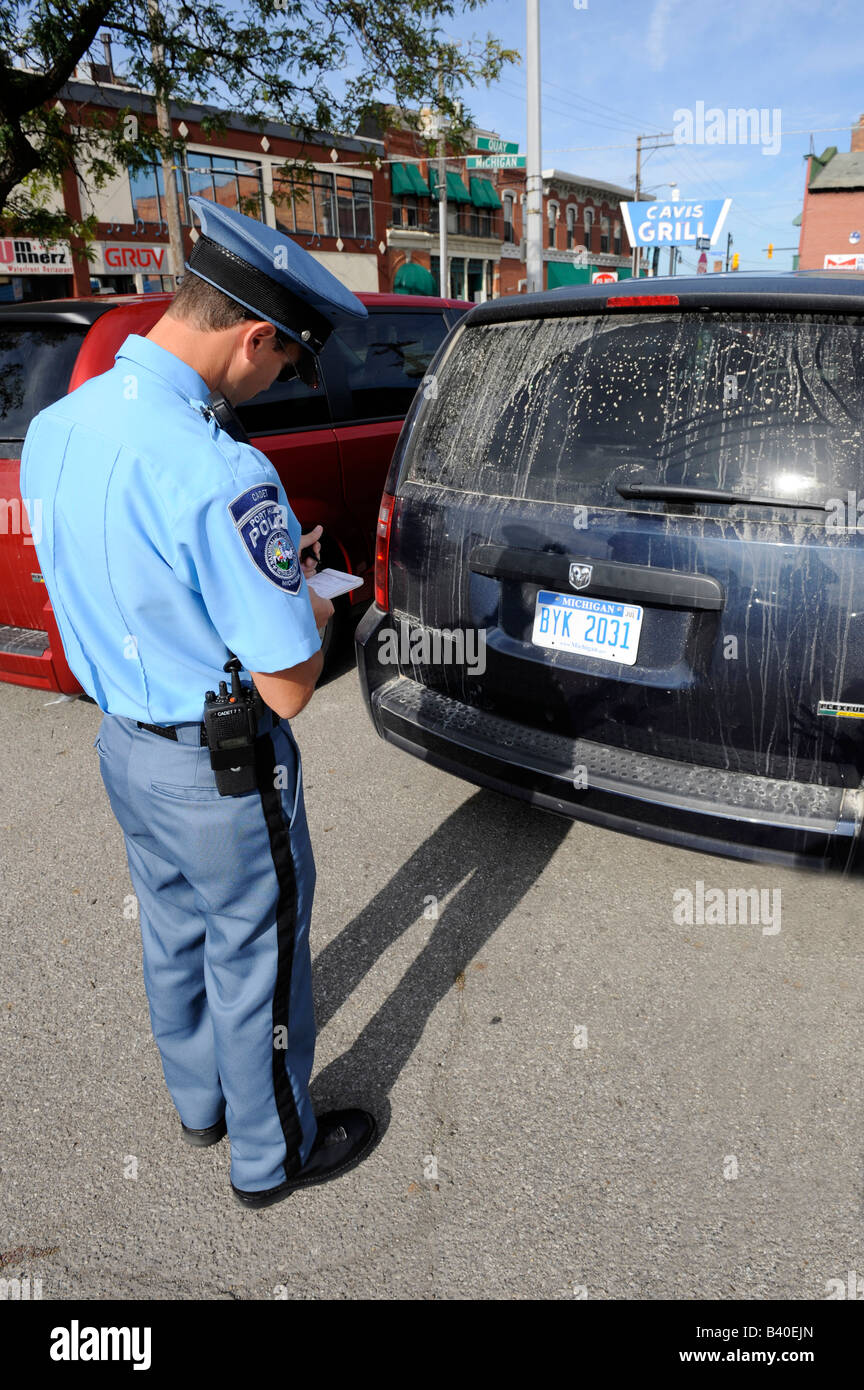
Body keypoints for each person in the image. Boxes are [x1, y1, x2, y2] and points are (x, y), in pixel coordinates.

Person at [20, 196, 377, 1209]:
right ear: (257, 335)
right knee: (257, 950)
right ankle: (273, 1155)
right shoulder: (225, 469)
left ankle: (199, 1103)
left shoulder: (58, 424)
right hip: (221, 765)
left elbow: (134, 582)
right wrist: (303, 601)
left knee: (171, 928)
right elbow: (289, 687)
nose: (276, 385)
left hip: (126, 748)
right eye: (286, 364)